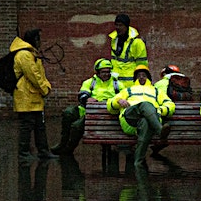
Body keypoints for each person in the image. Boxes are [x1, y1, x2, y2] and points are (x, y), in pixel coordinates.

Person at [106, 65, 175, 171]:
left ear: (148, 78)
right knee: (145, 105)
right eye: (139, 75)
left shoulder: (156, 91)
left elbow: (170, 105)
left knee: (145, 122)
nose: (141, 77)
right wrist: (118, 101)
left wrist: (160, 110)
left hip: (150, 121)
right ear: (135, 78)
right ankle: (160, 130)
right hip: (130, 118)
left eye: (144, 75)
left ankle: (138, 162)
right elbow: (110, 105)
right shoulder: (128, 90)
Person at [51, 58, 122, 155]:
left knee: (76, 126)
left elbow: (124, 96)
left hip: (104, 114)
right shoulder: (90, 82)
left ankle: (68, 149)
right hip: (87, 110)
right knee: (68, 112)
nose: (106, 74)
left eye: (108, 72)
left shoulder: (117, 84)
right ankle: (63, 142)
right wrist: (87, 99)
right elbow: (82, 94)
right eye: (103, 72)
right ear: (97, 72)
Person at [12, 28, 58, 160]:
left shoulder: (31, 53)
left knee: (40, 125)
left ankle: (43, 151)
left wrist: (45, 86)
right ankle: (23, 153)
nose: (40, 42)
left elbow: (39, 74)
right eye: (39, 39)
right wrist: (45, 89)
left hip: (32, 95)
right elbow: (34, 75)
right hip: (26, 96)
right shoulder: (24, 55)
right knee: (26, 126)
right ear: (35, 40)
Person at [109, 13, 147, 87]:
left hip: (131, 83)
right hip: (116, 83)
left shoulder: (137, 43)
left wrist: (141, 82)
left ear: (127, 27)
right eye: (116, 25)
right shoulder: (114, 40)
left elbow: (142, 65)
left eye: (121, 25)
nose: (118, 28)